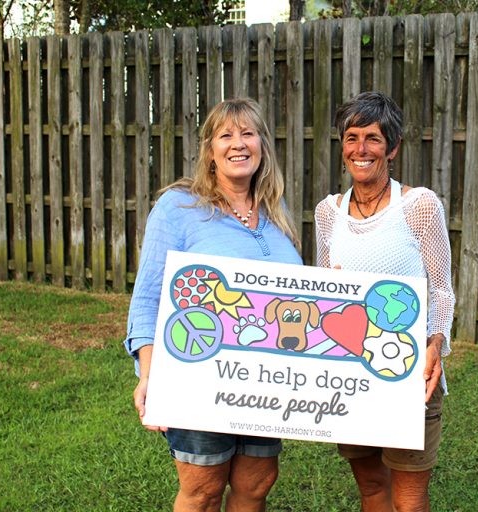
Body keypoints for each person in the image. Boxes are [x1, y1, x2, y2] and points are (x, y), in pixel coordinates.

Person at [124, 97, 301, 512]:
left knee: (256, 485)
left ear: (262, 146)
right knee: (203, 491)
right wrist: (149, 375)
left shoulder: (275, 210)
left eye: (248, 133)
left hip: (265, 381)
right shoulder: (178, 207)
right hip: (197, 374)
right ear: (209, 150)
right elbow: (148, 298)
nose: (238, 144)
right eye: (226, 135)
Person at [314, 91, 455, 512]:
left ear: (392, 148)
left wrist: (436, 344)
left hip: (409, 372)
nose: (361, 149)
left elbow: (441, 289)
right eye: (351, 137)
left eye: (373, 138)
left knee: (408, 500)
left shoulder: (418, 205)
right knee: (373, 486)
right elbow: (324, 293)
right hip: (351, 375)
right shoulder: (328, 212)